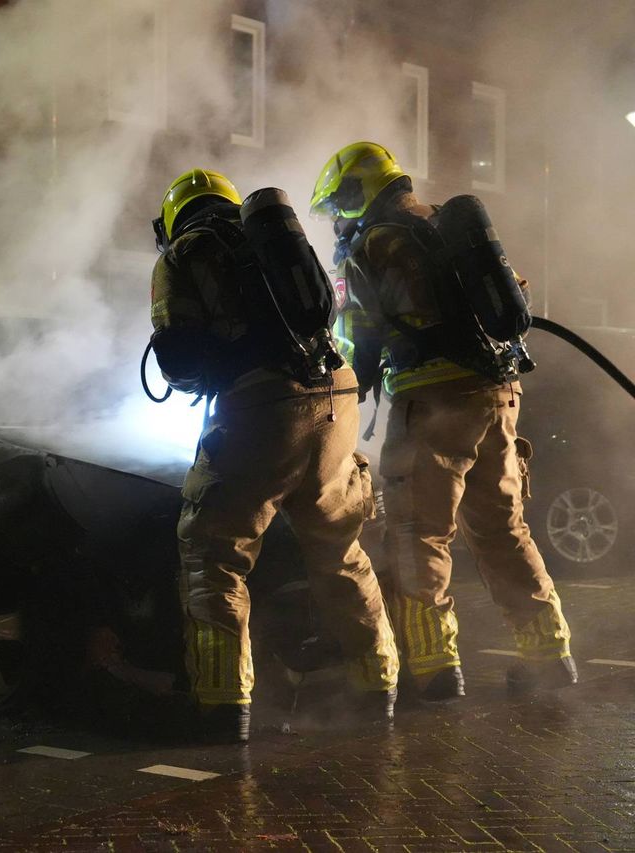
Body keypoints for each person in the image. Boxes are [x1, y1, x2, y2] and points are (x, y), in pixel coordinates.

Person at [309, 141, 576, 702]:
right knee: (504, 529)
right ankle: (549, 655)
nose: (337, 220)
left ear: (358, 192)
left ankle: (433, 668)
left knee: (418, 533)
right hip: (500, 394)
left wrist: (341, 399)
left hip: (431, 403)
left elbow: (357, 338)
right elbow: (514, 297)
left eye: (338, 205)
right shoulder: (450, 227)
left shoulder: (373, 245)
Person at [149, 168, 399, 743]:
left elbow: (178, 357)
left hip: (263, 406)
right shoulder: (271, 244)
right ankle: (379, 682)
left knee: (213, 554)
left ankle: (221, 705)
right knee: (340, 549)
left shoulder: (182, 254)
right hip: (335, 396)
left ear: (173, 218)